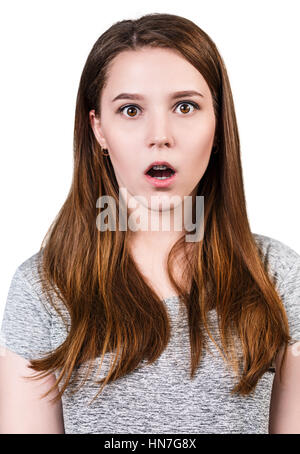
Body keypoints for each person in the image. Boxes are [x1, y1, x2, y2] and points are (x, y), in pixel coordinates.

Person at [1, 12, 300, 435]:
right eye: (130, 109)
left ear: (218, 126)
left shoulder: (278, 276)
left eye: (185, 106)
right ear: (98, 128)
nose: (160, 135)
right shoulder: (42, 287)